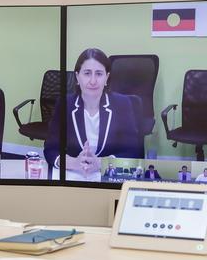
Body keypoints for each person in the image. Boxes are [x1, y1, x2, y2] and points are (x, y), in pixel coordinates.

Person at [44, 48, 142, 181]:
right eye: (87, 73)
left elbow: (134, 151)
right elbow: (51, 149)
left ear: (106, 77)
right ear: (77, 77)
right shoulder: (65, 104)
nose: (93, 81)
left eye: (99, 74)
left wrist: (102, 163)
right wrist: (73, 163)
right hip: (74, 175)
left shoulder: (122, 104)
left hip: (109, 176)